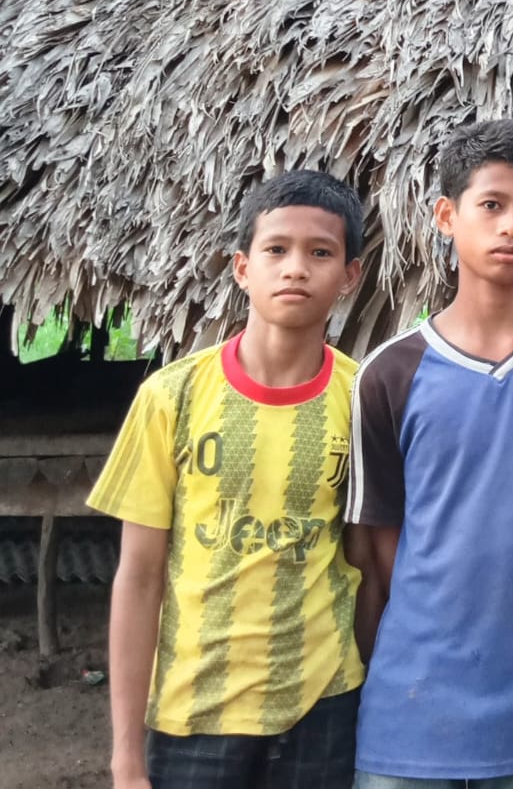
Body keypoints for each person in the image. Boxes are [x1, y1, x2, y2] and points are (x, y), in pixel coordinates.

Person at [345, 120, 513, 789]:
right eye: (491, 206)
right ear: (447, 215)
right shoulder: (389, 374)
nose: (511, 227)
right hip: (407, 711)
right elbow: (376, 549)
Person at [91, 168, 368, 789]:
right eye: (276, 250)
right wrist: (125, 755)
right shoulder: (173, 397)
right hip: (194, 712)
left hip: (322, 706)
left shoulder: (362, 400)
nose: (295, 267)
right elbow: (138, 578)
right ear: (243, 268)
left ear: (350, 277)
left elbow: (369, 560)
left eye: (320, 252)